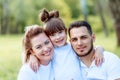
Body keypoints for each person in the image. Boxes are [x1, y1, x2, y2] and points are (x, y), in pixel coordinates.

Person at [29, 9, 104, 80]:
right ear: (48, 37)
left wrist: (99, 50)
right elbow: (40, 56)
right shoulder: (51, 51)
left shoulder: (72, 46)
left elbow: (92, 48)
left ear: (65, 31)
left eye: (60, 32)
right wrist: (32, 57)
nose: (58, 37)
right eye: (53, 35)